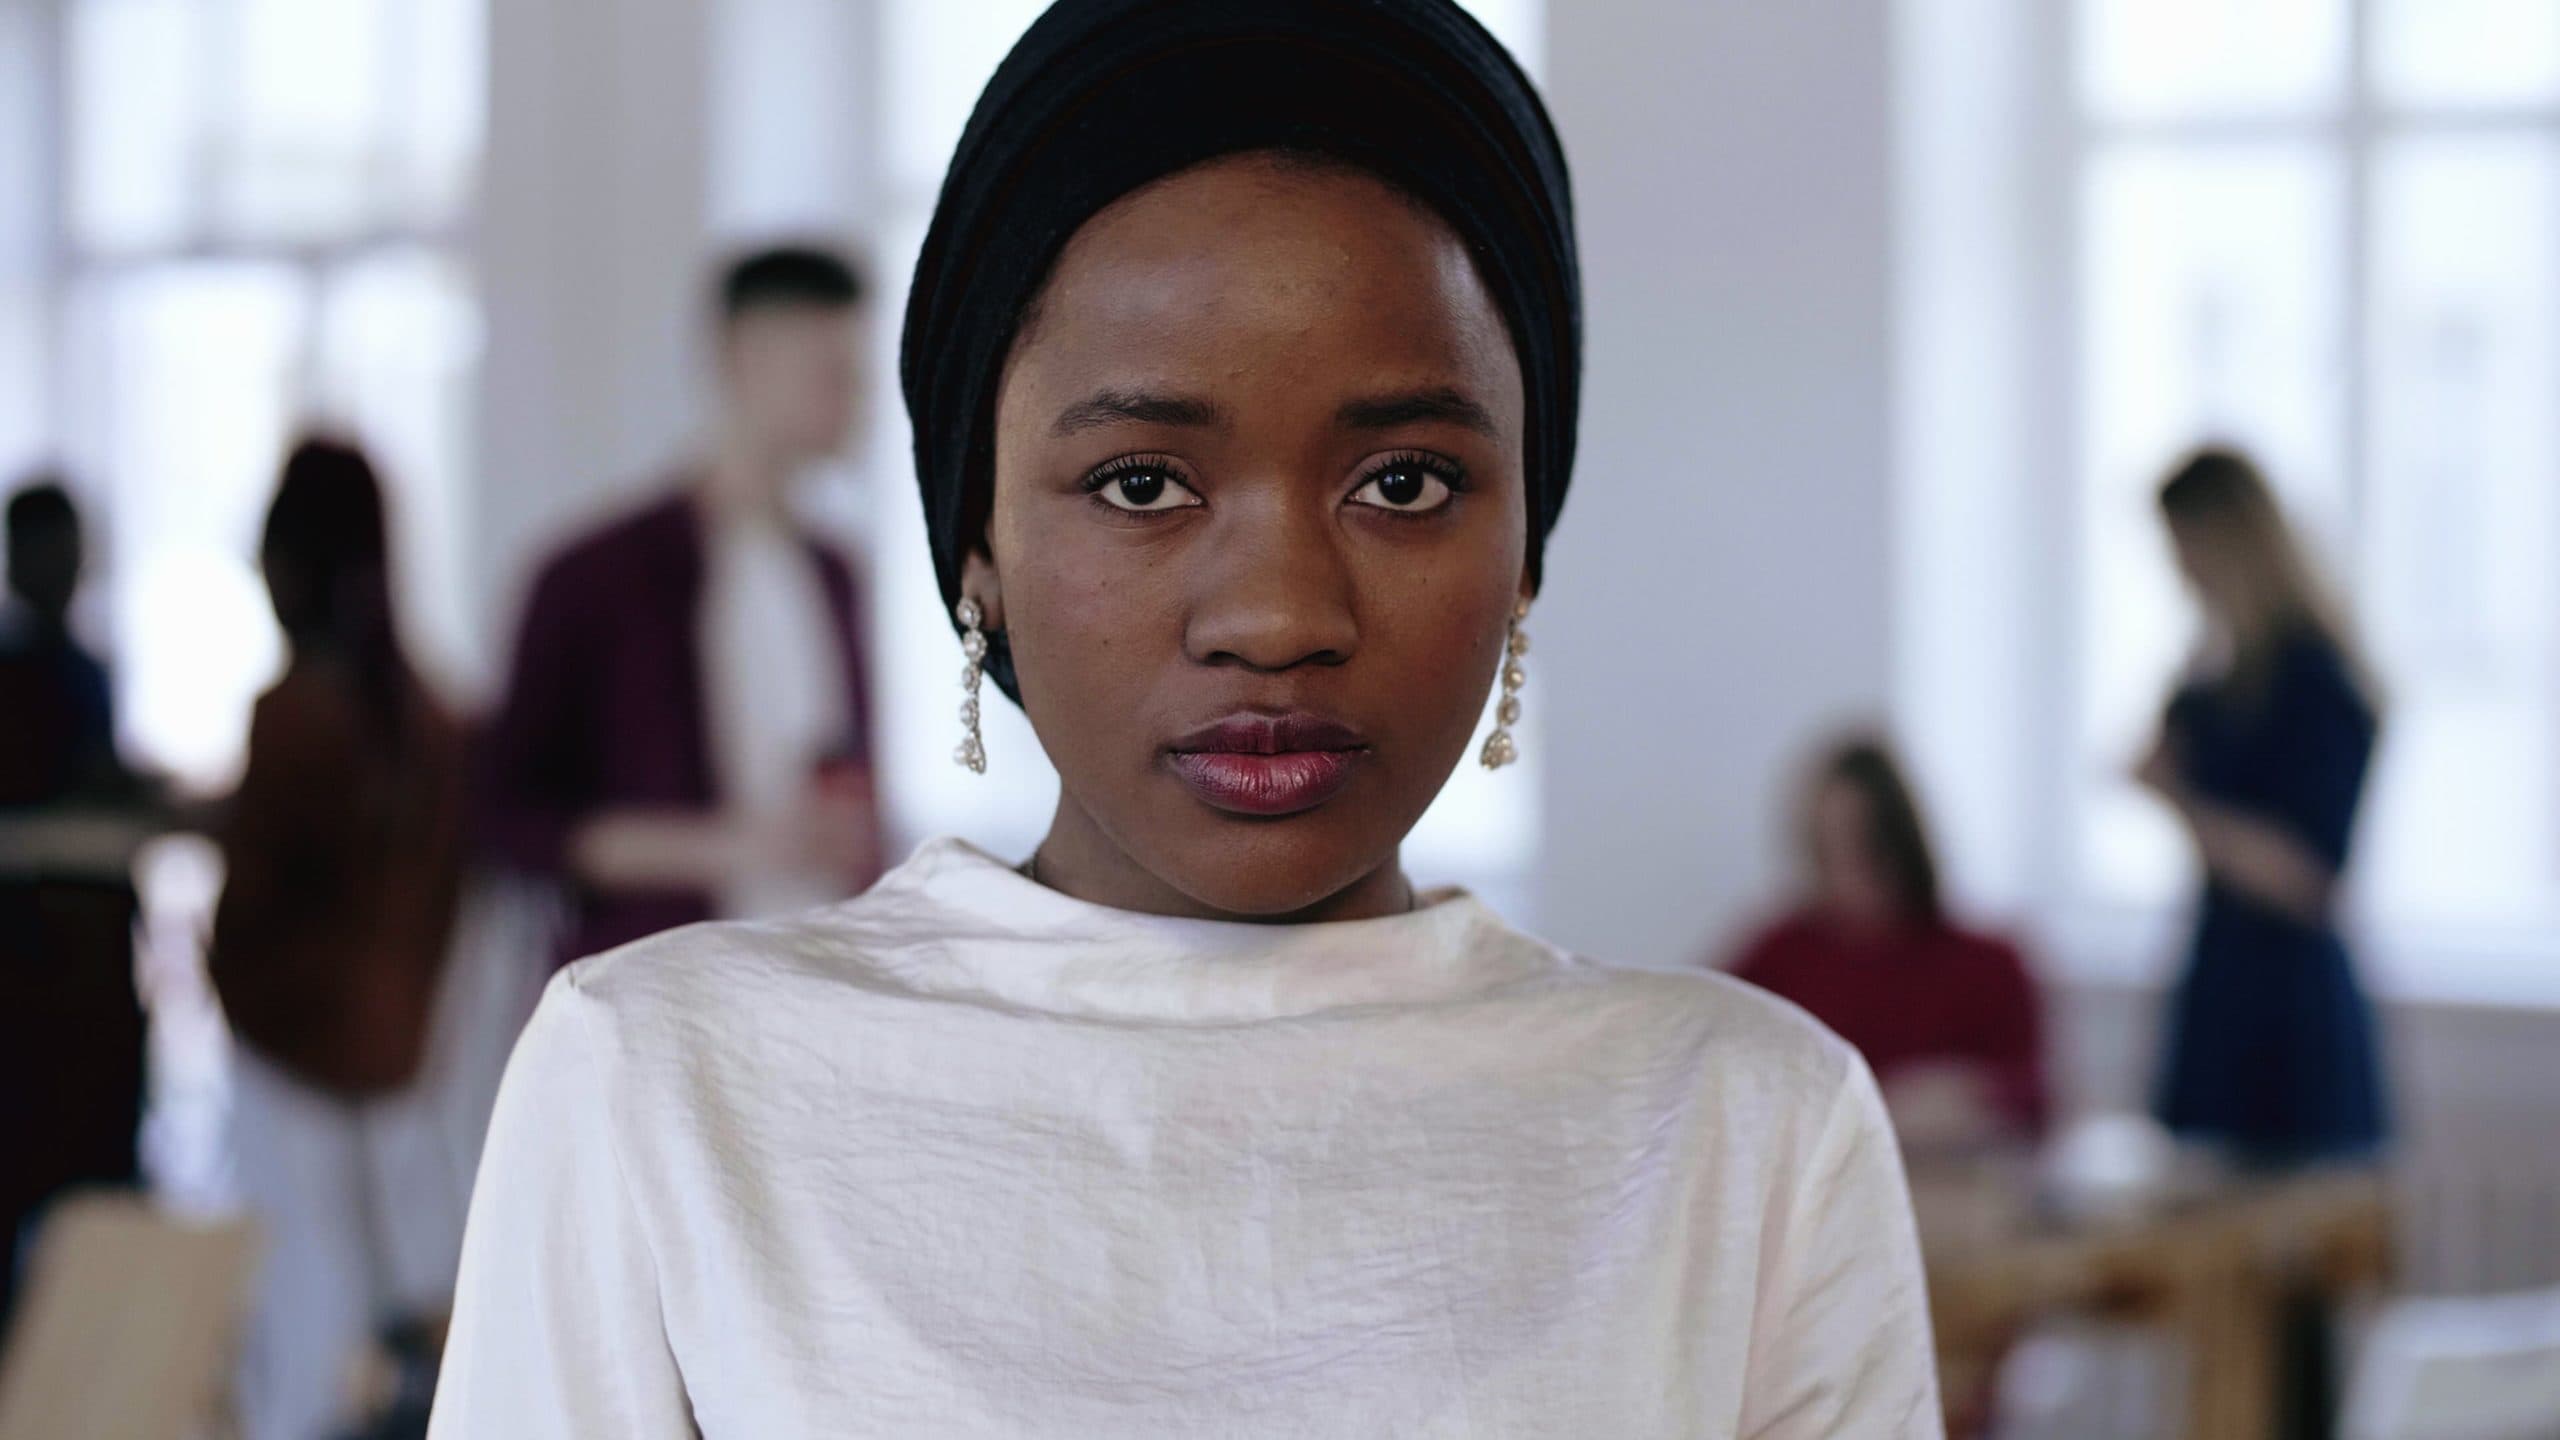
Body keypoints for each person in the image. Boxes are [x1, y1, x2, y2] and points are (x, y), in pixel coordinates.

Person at [431, 2, 1941, 1434]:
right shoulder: (661, 1084)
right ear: (981, 557)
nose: (1277, 615)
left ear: (1526, 548)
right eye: (1141, 483)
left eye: (1403, 481)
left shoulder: (1746, 1128)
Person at [478, 246, 883, 964]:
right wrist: (725, 846)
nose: (857, 398)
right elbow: (507, 822)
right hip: (653, 990)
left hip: (812, 977)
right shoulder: (594, 577)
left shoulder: (837, 573)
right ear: (745, 359)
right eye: (833, 371)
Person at [210, 439, 472, 1440]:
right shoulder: (428, 715)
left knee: (305, 1344)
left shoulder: (296, 719)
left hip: (298, 1057)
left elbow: (250, 929)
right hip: (405, 1052)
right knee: (388, 1332)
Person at [2136, 446, 2387, 1167]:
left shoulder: (2315, 687)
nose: (2178, 568)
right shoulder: (2216, 683)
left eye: (2182, 545)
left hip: (2288, 1014)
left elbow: (2308, 879)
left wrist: (2179, 799)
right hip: (2225, 989)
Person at [1726, 735, 2049, 1150]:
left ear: (1904, 844)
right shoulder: (1778, 955)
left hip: (1942, 1185)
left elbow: (2036, 1099)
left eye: (1864, 850)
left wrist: (1975, 1095)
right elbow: (1704, 1056)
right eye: (1827, 853)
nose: (1846, 878)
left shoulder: (1987, 962)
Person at [0, 478, 148, 1328]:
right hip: (26, 984)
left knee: (97, 1220)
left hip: (93, 985)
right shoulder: (15, 675)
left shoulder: (89, 668)